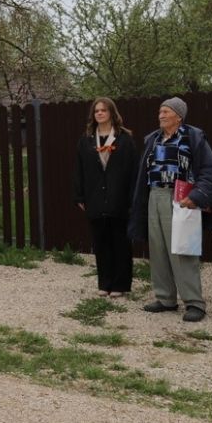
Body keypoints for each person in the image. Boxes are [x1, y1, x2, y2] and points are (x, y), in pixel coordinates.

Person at [129, 97, 212, 323]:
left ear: (179, 116)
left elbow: (209, 169)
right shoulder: (154, 138)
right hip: (155, 196)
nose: (161, 115)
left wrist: (197, 196)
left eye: (166, 111)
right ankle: (165, 298)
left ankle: (194, 303)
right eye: (160, 111)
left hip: (181, 198)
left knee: (182, 249)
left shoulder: (192, 138)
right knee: (158, 249)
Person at [72, 97, 139, 298]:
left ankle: (120, 284)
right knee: (100, 242)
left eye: (103, 110)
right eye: (96, 111)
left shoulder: (125, 139)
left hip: (119, 198)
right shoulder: (86, 140)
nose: (99, 113)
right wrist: (79, 196)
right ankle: (105, 282)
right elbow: (78, 170)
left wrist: (131, 198)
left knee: (120, 242)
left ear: (112, 113)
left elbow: (133, 171)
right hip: (95, 198)